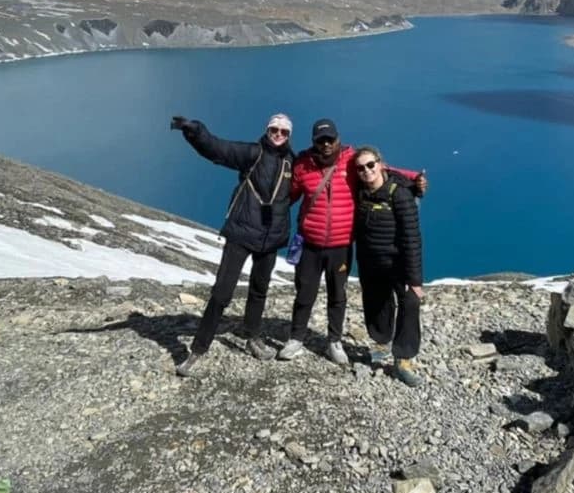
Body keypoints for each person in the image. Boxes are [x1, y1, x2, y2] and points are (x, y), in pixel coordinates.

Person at [276, 118, 427, 365]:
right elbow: (289, 195)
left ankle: (334, 341)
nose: (326, 144)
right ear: (314, 142)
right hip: (311, 243)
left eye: (330, 139)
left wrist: (415, 179)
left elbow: (384, 169)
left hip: (340, 245)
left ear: (338, 139)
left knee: (338, 295)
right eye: (320, 140)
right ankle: (296, 338)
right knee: (304, 293)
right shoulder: (303, 164)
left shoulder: (351, 159)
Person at [169, 113, 296, 377]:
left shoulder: (292, 162)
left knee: (259, 290)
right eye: (274, 129)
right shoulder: (251, 153)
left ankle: (252, 336)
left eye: (284, 132)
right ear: (267, 129)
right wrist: (195, 132)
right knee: (221, 294)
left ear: (289, 136)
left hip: (270, 240)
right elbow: (218, 149)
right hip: (241, 233)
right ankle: (197, 351)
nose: (278, 135)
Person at [351, 145, 425, 387]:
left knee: (409, 304)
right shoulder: (360, 192)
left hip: (398, 264)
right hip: (371, 262)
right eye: (360, 168)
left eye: (371, 165)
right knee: (376, 302)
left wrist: (415, 280)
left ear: (381, 164)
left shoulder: (399, 194)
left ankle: (403, 358)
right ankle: (382, 343)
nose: (366, 171)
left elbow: (412, 238)